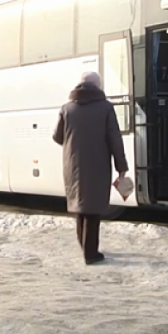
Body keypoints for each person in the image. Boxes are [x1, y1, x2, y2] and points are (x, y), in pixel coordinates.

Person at [51, 71, 129, 265]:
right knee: (93, 210)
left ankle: (85, 246)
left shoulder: (67, 108)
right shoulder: (105, 108)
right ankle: (91, 254)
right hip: (98, 163)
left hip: (73, 164)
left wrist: (73, 144)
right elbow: (114, 139)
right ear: (98, 86)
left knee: (80, 207)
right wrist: (121, 166)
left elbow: (57, 136)